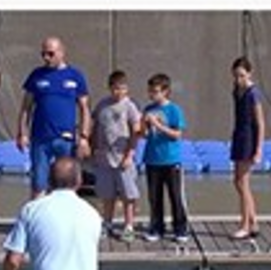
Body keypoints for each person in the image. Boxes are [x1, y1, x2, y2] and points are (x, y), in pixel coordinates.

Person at [17, 36, 92, 199]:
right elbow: (26, 108)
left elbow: (85, 109)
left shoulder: (75, 76)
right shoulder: (37, 75)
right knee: (39, 183)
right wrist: (22, 133)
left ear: (61, 52)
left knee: (67, 185)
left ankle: (65, 214)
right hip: (41, 139)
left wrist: (84, 137)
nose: (46, 58)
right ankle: (38, 212)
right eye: (43, 54)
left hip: (65, 139)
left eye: (50, 54)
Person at [91, 70, 142, 242]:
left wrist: (130, 155)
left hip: (123, 158)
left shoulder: (130, 106)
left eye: (122, 88)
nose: (119, 92)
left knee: (128, 194)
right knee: (107, 194)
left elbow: (136, 132)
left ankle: (129, 226)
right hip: (104, 158)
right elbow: (94, 126)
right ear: (109, 88)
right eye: (115, 88)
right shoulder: (102, 105)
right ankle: (107, 223)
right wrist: (93, 148)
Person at [141, 73, 189, 243]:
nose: (152, 95)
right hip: (152, 159)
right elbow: (145, 134)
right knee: (155, 197)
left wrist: (158, 124)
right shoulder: (148, 109)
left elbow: (177, 134)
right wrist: (144, 125)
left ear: (165, 91)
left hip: (171, 160)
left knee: (175, 196)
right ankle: (156, 227)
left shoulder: (174, 110)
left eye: (155, 91)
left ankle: (180, 229)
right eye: (150, 91)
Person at [230, 56, 266, 239]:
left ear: (249, 74)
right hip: (239, 135)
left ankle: (245, 225)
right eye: (236, 76)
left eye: (242, 76)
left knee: (243, 182)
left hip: (249, 139)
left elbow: (260, 123)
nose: (239, 79)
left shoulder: (253, 94)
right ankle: (253, 221)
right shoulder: (237, 90)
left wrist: (258, 149)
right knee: (237, 181)